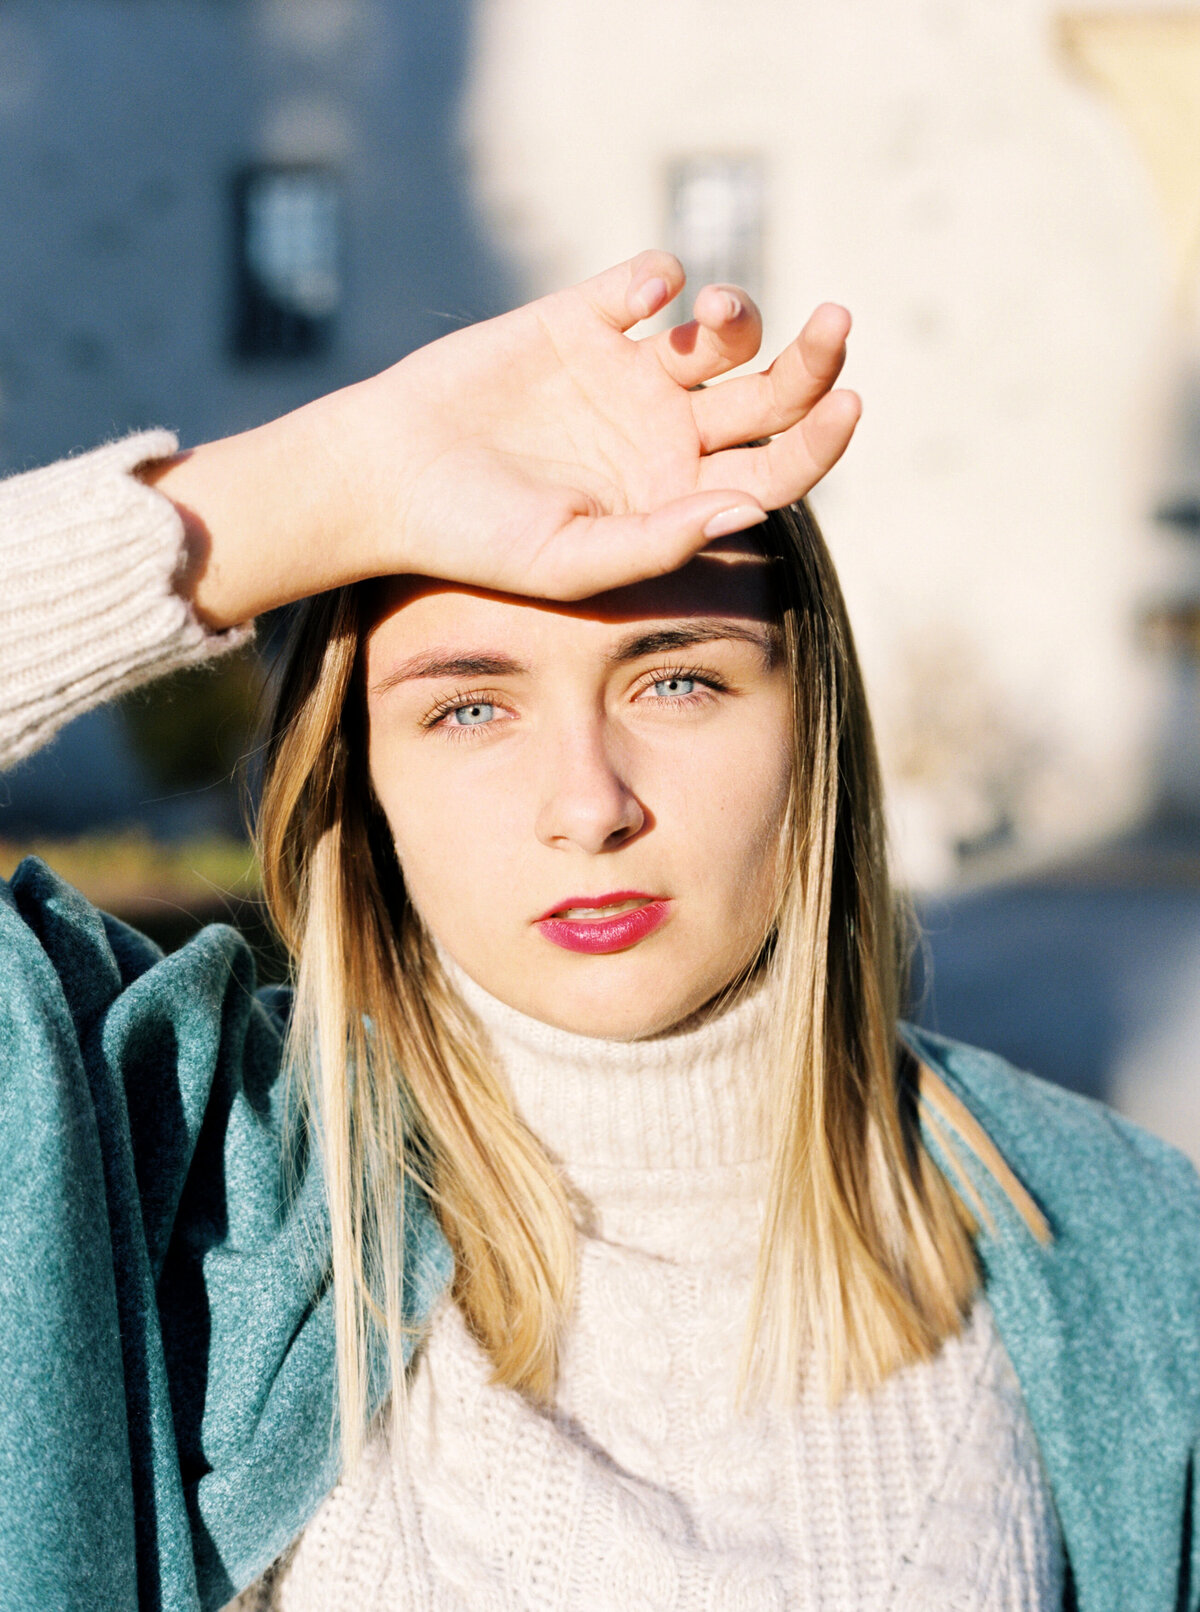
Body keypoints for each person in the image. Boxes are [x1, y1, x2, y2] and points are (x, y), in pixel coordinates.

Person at [0, 250, 1196, 1612]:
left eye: (677, 679)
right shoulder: (191, 1184)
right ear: (362, 783)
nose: (588, 804)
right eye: (469, 708)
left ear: (812, 731)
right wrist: (312, 492)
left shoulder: (1131, 1266)